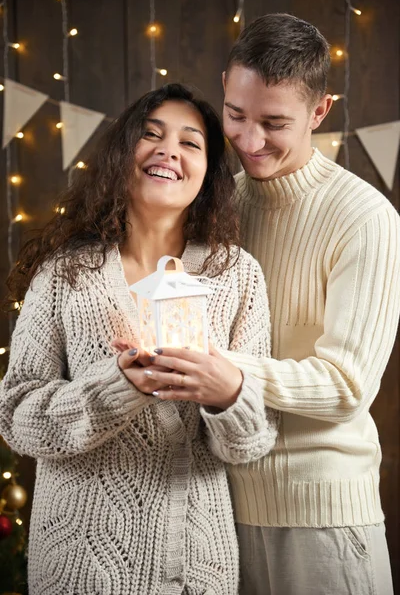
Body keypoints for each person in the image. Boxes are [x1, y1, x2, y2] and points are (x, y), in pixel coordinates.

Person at [147, 14, 400, 595]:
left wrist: (228, 374)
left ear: (320, 112)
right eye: (236, 115)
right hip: (222, 513)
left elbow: (347, 384)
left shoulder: (365, 218)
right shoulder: (218, 204)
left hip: (323, 518)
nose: (250, 140)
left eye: (275, 122)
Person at [0, 84, 279, 595]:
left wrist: (227, 396)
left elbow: (253, 442)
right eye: (151, 135)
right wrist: (116, 387)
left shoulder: (237, 275)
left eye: (190, 142)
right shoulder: (66, 274)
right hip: (77, 563)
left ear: (208, 170)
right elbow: (16, 419)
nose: (169, 150)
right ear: (122, 153)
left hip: (195, 563)